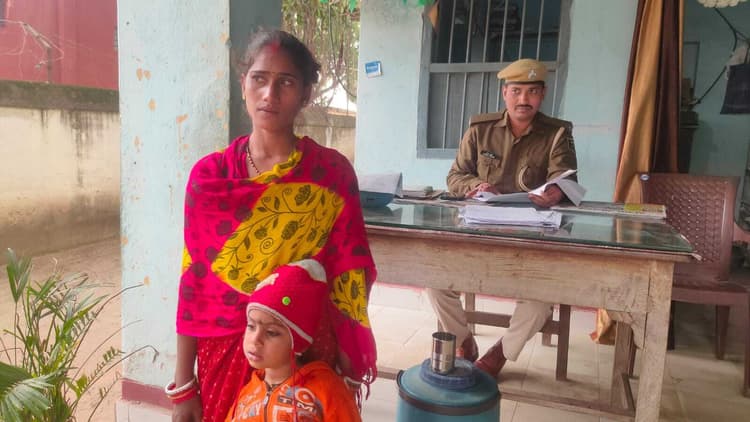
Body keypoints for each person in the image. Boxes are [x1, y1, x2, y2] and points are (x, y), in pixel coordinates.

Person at [167, 29, 377, 422]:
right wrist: (184, 385)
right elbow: (194, 285)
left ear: (306, 94)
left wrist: (348, 372)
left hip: (303, 350)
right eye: (259, 79)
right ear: (243, 84)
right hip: (224, 351)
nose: (269, 94)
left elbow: (348, 280)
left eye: (286, 82)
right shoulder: (210, 178)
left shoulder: (330, 174)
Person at [427, 58, 578, 378]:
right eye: (517, 91)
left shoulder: (557, 133)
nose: (524, 99)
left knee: (540, 302)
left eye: (532, 92)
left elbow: (566, 181)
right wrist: (474, 185)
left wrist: (556, 192)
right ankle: (464, 341)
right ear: (505, 93)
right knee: (436, 282)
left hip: (532, 239)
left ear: (543, 94)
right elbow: (455, 176)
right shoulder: (480, 129)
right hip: (479, 233)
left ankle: (500, 354)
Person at [225, 260, 362, 421]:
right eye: (251, 326)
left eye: (271, 333)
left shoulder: (327, 391)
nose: (255, 340)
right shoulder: (247, 395)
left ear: (297, 342)